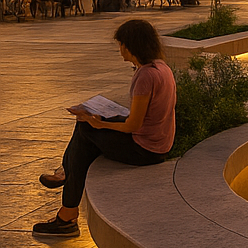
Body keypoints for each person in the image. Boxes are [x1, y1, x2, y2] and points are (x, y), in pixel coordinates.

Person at [33, 19, 176, 237]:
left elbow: (133, 125)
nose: (120, 50)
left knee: (85, 130)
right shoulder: (160, 67)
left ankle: (67, 214)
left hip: (145, 149)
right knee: (87, 125)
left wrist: (99, 123)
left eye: (121, 45)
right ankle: (66, 176)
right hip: (158, 142)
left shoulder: (145, 76)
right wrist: (99, 117)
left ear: (130, 45)